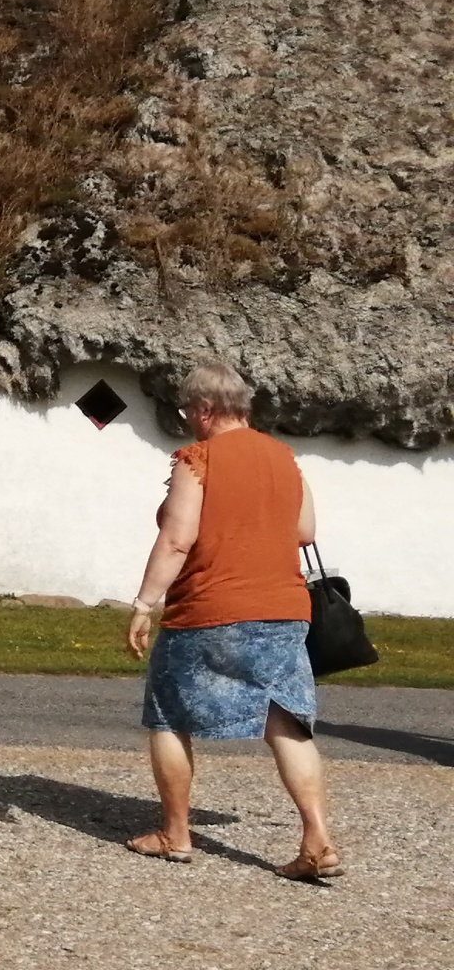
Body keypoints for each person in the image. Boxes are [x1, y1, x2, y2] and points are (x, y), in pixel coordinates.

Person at [125, 360, 338, 881]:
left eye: (186, 410)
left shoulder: (197, 460)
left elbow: (177, 539)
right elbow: (305, 530)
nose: (185, 420)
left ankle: (175, 834)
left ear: (204, 409)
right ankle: (318, 837)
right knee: (286, 721)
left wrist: (144, 603)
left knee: (169, 714)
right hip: (285, 610)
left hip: (209, 609)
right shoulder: (285, 457)